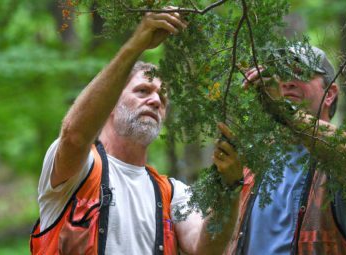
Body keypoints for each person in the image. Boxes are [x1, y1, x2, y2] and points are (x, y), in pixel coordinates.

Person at [30, 10, 239, 255]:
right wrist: (137, 43)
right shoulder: (80, 171)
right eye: (142, 91)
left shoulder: (172, 194)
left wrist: (230, 189)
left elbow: (206, 250)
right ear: (109, 105)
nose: (155, 101)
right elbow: (75, 136)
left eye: (162, 97)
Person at [213, 46, 346, 254]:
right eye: (281, 74)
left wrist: (285, 110)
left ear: (329, 94)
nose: (287, 81)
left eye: (300, 73)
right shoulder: (250, 165)